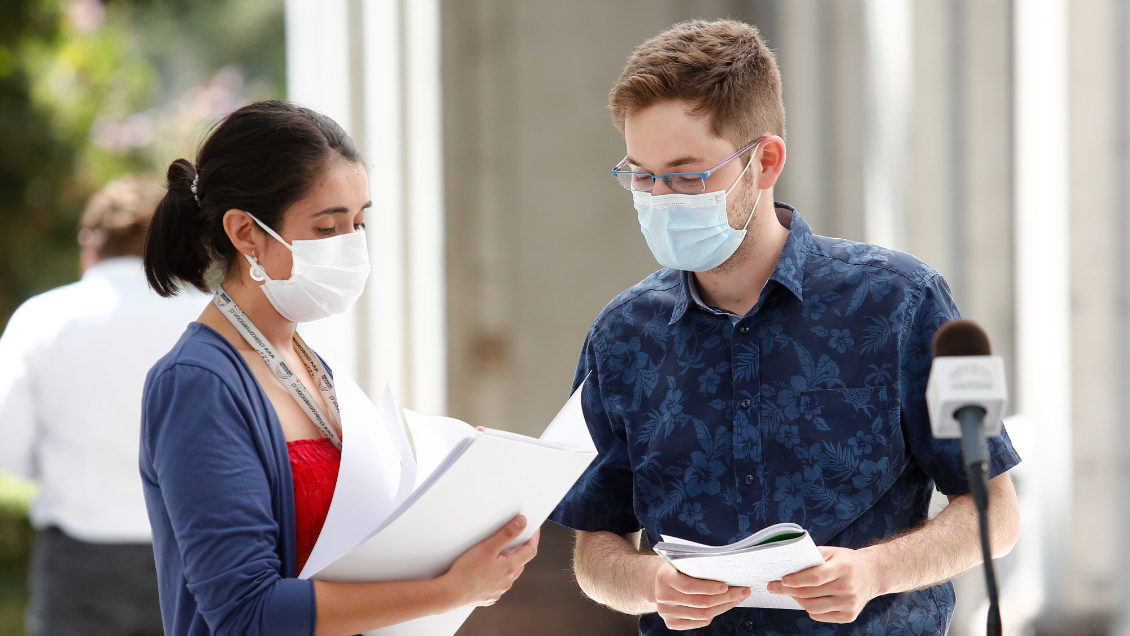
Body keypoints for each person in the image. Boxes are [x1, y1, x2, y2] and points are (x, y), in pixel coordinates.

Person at [549, 19, 1022, 636]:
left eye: (687, 175)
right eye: (642, 176)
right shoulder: (619, 337)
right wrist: (647, 584)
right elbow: (594, 546)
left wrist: (876, 571)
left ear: (765, 162)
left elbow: (998, 514)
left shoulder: (908, 301)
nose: (660, 198)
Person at [139, 100, 538, 636]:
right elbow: (244, 614)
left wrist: (464, 490)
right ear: (245, 233)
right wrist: (449, 591)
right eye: (328, 228)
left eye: (358, 221)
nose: (352, 245)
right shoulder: (198, 385)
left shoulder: (305, 359)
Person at [0, 175, 209, 636]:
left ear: (89, 243)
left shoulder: (42, 318)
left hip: (79, 559)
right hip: (191, 556)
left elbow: (7, 446)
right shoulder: (210, 318)